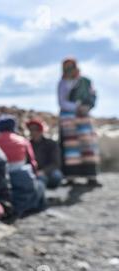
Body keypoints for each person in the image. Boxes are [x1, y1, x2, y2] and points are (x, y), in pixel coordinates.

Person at [58, 58, 101, 186]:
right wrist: (76, 107)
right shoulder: (62, 83)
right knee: (71, 147)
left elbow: (92, 96)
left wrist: (87, 106)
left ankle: (91, 176)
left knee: (87, 145)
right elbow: (62, 102)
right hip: (68, 118)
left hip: (84, 117)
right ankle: (71, 176)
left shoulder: (85, 82)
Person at [0, 115, 46, 216]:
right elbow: (32, 163)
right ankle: (38, 207)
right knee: (40, 184)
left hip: (0, 182)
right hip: (21, 181)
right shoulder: (23, 141)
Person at [26, 118, 63, 189]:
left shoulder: (51, 144)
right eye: (31, 129)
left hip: (48, 171)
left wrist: (43, 171)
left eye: (36, 129)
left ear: (41, 130)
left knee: (56, 176)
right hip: (33, 172)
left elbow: (56, 163)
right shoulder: (28, 144)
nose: (33, 132)